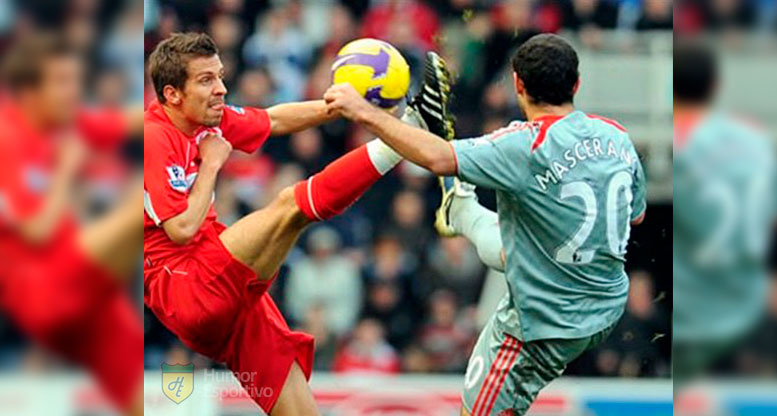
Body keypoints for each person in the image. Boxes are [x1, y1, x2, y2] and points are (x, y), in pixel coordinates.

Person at [325, 33, 647, 416]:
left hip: (542, 324)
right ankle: (462, 211)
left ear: (518, 85)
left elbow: (439, 158)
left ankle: (462, 210)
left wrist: (363, 112)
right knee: (527, 238)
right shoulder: (617, 136)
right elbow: (637, 214)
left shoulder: (521, 145)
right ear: (576, 84)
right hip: (607, 307)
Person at [143, 32, 452, 415]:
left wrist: (342, 107)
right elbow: (181, 230)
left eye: (220, 76)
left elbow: (272, 119)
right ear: (173, 94)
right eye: (206, 80)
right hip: (187, 285)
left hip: (228, 295)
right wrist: (212, 164)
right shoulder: (152, 138)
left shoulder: (207, 119)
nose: (221, 88)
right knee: (291, 205)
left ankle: (407, 127)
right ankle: (411, 125)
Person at [0, 34, 144, 415]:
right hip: (43, 287)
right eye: (62, 82)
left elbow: (124, 121)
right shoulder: (6, 137)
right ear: (29, 91)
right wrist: (65, 170)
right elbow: (37, 232)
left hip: (90, 294)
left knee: (141, 402)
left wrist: (191, 108)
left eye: (76, 81)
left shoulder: (64, 121)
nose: (74, 92)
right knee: (140, 206)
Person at [671, 40, 777, 387]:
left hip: (694, 317)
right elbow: (774, 218)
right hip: (753, 313)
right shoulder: (755, 139)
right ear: (716, 86)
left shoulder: (678, 141)